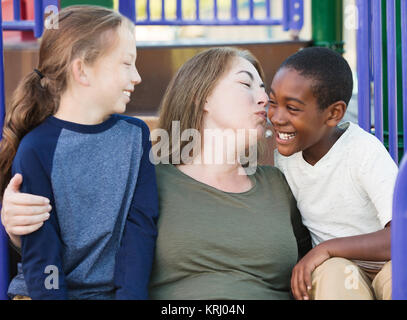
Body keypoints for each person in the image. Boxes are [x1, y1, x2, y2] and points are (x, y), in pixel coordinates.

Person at [1, 47, 312, 300]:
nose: (264, 99)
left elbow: (318, 255)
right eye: (246, 83)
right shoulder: (147, 178)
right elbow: (80, 245)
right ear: (201, 97)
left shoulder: (279, 184)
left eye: (263, 88)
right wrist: (19, 228)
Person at [0, 6, 158, 300]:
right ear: (82, 70)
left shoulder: (136, 137)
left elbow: (140, 231)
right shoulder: (37, 149)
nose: (137, 76)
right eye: (126, 63)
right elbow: (42, 253)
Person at [268, 47, 397, 300]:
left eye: (292, 108)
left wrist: (327, 248)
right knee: (334, 273)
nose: (277, 117)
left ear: (334, 113)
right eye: (273, 102)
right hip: (338, 270)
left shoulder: (363, 151)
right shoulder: (282, 156)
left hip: (389, 262)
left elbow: (400, 236)